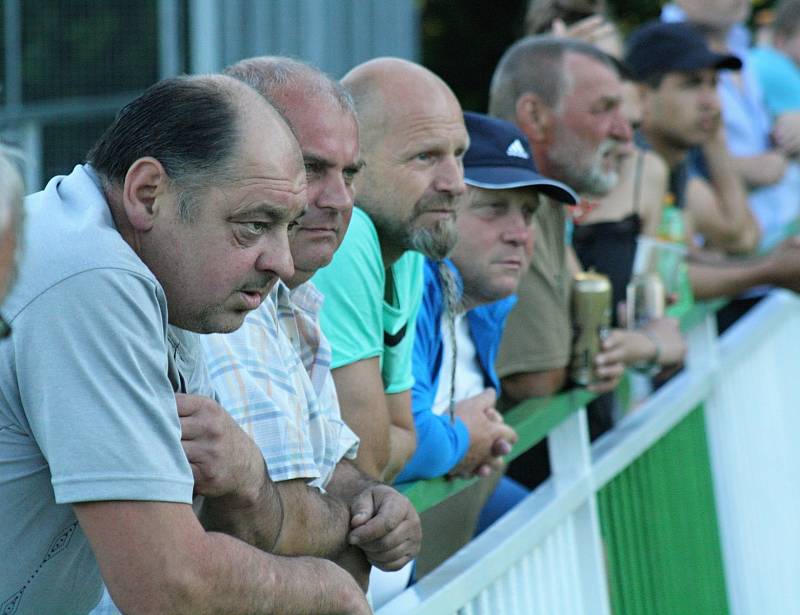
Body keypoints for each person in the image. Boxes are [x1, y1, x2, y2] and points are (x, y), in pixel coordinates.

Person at [0, 75, 370, 615]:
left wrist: (247, 485)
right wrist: (331, 590)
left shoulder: (165, 284)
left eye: (287, 226)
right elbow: (170, 585)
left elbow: (194, 545)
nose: (283, 263)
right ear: (148, 193)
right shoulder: (90, 274)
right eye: (253, 224)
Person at [198, 57, 421, 591]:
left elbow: (333, 470)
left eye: (350, 173)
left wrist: (382, 504)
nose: (341, 199)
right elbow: (254, 527)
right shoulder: (219, 306)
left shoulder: (288, 302)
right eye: (311, 168)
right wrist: (349, 524)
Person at [396, 112, 578, 574]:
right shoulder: (413, 287)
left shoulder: (483, 306)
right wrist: (465, 438)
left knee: (554, 538)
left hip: (423, 580)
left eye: (528, 213)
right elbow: (392, 444)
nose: (520, 233)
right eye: (494, 209)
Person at [311, 58, 469, 485]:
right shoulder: (349, 235)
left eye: (459, 154)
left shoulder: (409, 245)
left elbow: (402, 439)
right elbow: (367, 457)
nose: (455, 183)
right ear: (354, 162)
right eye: (425, 156)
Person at [627, 21, 800, 306]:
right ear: (642, 95)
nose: (712, 102)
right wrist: (770, 268)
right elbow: (664, 274)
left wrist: (714, 140)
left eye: (714, 84)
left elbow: (744, 236)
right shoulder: (632, 160)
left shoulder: (676, 157)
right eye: (692, 84)